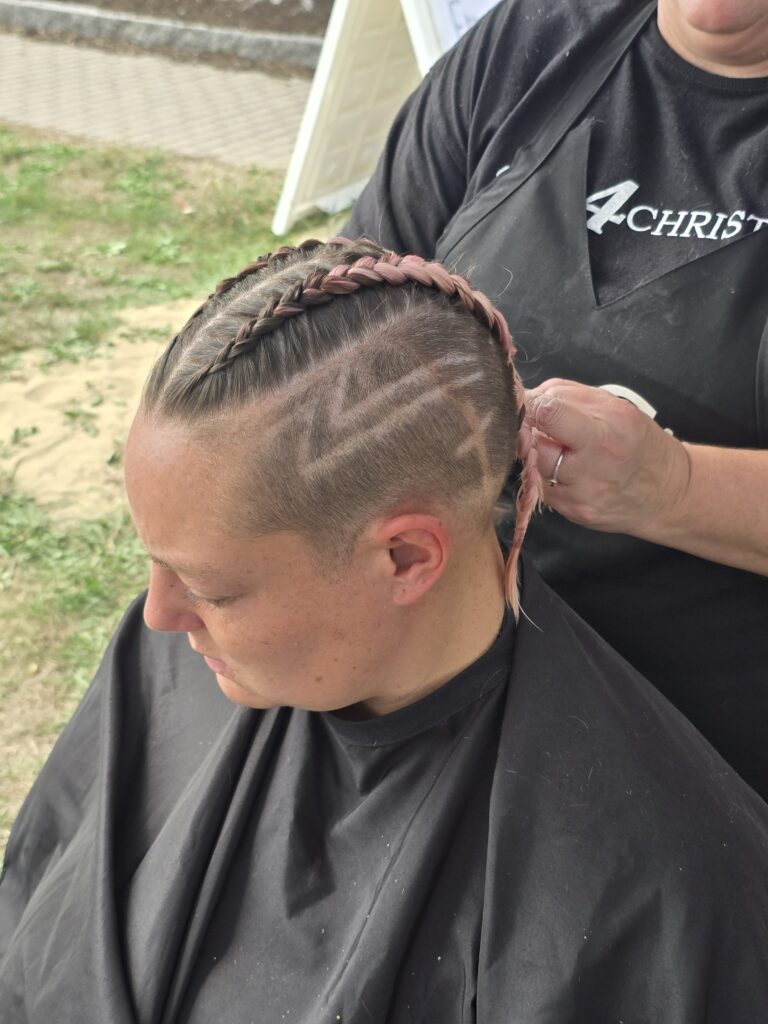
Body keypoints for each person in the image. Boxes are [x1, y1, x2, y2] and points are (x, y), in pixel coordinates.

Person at [1, 238, 767, 1023]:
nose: (157, 614)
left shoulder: (659, 890)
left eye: (210, 588)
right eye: (159, 564)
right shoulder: (165, 660)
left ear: (405, 558)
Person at [343, 0, 768, 800]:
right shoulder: (532, 42)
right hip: (450, 700)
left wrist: (671, 489)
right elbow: (351, 290)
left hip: (714, 773)